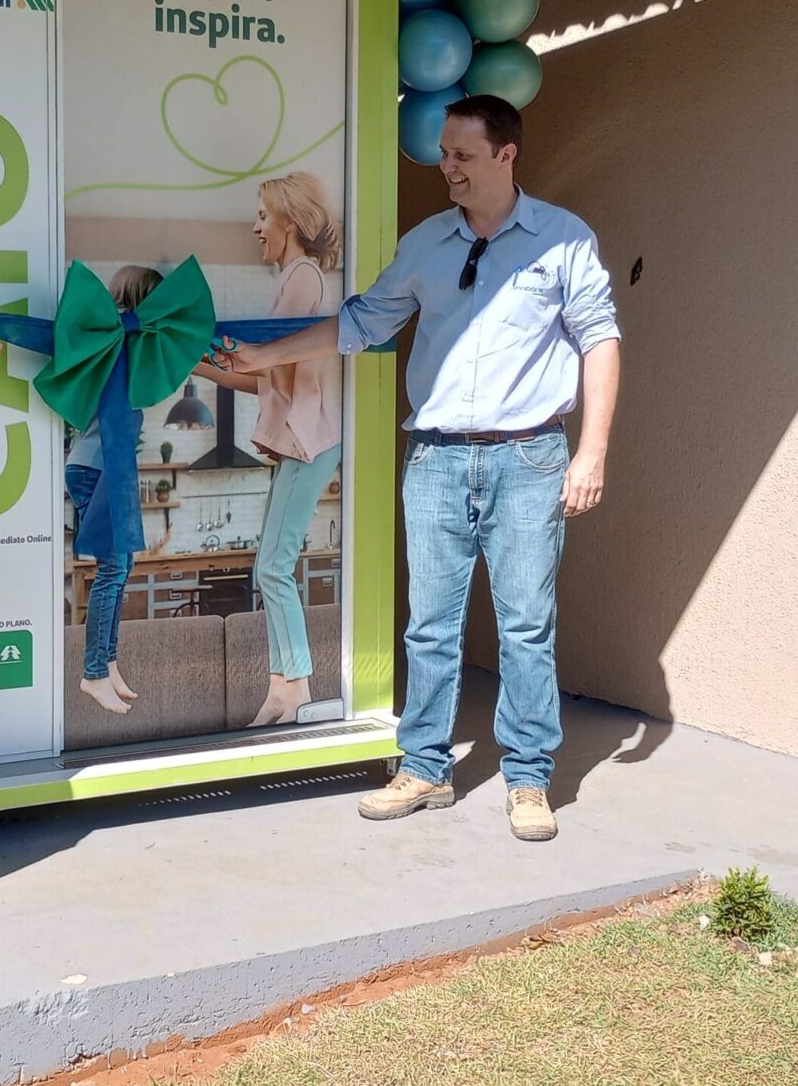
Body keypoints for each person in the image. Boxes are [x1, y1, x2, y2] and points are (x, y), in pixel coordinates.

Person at [217, 95, 620, 842]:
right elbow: (362, 322)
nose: (448, 167)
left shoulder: (563, 240)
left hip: (530, 456)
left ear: (507, 156)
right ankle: (426, 767)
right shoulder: (427, 242)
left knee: (526, 627)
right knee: (431, 626)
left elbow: (600, 340)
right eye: (445, 154)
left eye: (464, 155)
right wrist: (262, 357)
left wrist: (591, 451)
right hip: (435, 458)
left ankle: (528, 777)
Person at [243, 173, 344, 728]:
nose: (256, 226)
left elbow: (272, 356)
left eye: (263, 215)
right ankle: (283, 684)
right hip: (303, 442)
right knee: (270, 567)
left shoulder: (302, 275)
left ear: (290, 219)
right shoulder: (296, 278)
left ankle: (295, 685)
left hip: (310, 440)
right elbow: (266, 367)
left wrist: (233, 353)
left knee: (274, 567)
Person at [65, 265, 164, 717]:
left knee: (122, 568)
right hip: (96, 467)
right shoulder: (119, 339)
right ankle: (93, 674)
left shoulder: (118, 340)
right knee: (112, 571)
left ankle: (107, 662)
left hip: (105, 466)